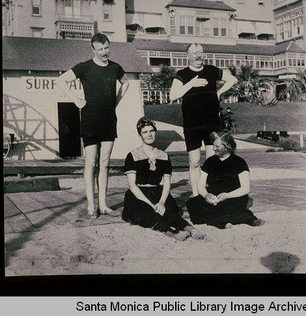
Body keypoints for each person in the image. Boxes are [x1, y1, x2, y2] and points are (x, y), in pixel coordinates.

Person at [55, 33, 129, 219]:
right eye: (100, 49)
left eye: (107, 48)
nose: (104, 52)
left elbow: (125, 83)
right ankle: (91, 206)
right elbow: (60, 81)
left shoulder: (115, 68)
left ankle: (103, 205)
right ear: (93, 49)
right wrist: (76, 99)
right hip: (89, 121)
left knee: (105, 164)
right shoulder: (85, 67)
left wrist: (117, 101)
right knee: (91, 163)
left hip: (109, 121)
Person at [170, 43, 237, 197]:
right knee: (194, 162)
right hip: (192, 125)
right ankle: (195, 195)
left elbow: (232, 79)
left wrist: (219, 93)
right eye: (194, 52)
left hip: (211, 123)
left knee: (212, 160)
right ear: (188, 56)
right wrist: (191, 83)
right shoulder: (182, 74)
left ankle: (210, 192)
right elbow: (173, 95)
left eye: (200, 52)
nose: (198, 55)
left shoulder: (212, 70)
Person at [122, 117, 204, 241]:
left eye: (151, 131)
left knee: (169, 212)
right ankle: (171, 233)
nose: (149, 134)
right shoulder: (133, 155)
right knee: (148, 212)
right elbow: (132, 185)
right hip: (138, 194)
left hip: (158, 192)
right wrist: (150, 204)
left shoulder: (164, 156)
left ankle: (189, 229)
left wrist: (161, 202)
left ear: (155, 132)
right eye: (145, 132)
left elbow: (166, 183)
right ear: (140, 136)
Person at [186, 130, 264, 229]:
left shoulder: (239, 162)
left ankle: (225, 222)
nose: (213, 149)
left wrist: (227, 195)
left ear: (227, 146)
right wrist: (206, 195)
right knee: (191, 203)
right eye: (213, 145)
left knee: (223, 209)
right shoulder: (210, 162)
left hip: (233, 198)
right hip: (214, 198)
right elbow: (201, 185)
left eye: (217, 146)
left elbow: (245, 188)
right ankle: (232, 220)